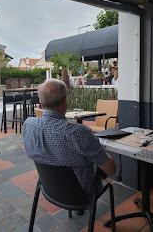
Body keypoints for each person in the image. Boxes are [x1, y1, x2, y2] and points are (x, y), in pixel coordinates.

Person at [23, 79, 116, 209]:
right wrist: (99, 150)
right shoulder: (79, 134)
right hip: (82, 195)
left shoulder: (28, 124)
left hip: (49, 189)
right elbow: (111, 169)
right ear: (65, 101)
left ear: (40, 102)